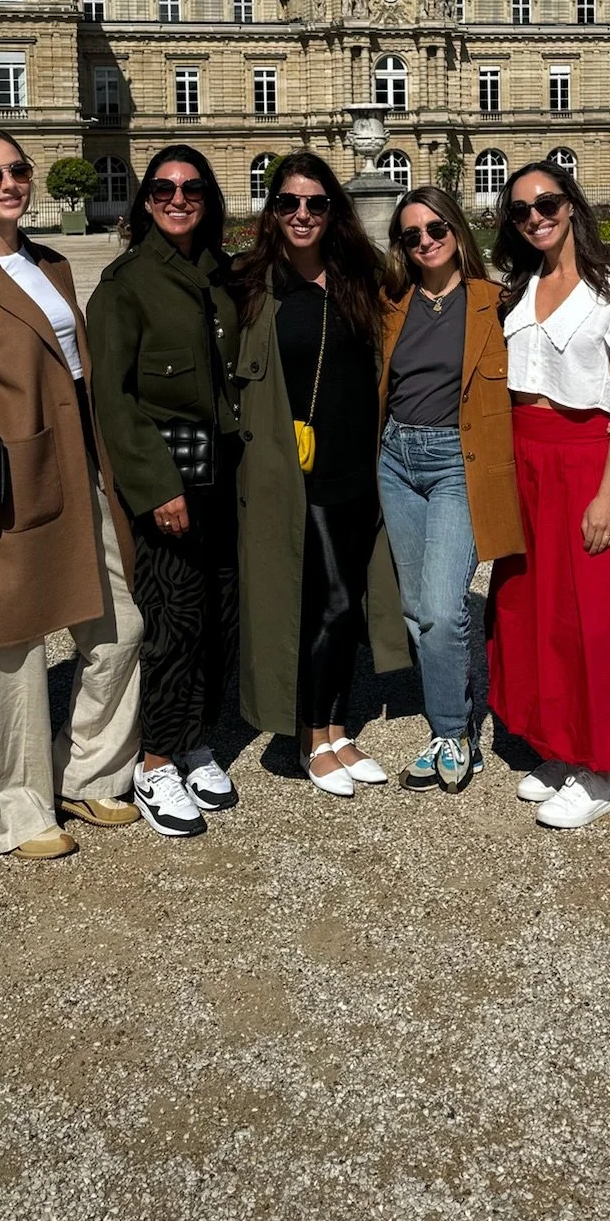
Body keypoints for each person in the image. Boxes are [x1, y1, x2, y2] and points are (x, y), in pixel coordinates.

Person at [0, 130, 143, 860]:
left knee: (121, 627)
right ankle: (15, 810)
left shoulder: (52, 262)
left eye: (16, 169)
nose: (8, 182)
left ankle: (88, 768)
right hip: (9, 484)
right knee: (5, 650)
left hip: (79, 468)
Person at [487, 161, 610, 831]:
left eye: (546, 202)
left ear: (571, 205)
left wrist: (607, 494)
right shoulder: (517, 290)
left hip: (582, 460)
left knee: (590, 617)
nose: (535, 216)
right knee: (533, 610)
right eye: (520, 210)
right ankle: (556, 746)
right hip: (525, 457)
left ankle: (599, 769)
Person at [233, 153, 406, 797]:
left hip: (360, 464)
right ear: (272, 212)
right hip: (296, 470)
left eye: (315, 203)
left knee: (349, 602)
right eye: (288, 203)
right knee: (323, 601)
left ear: (334, 211)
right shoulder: (252, 284)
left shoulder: (363, 276)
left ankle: (336, 726)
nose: (302, 214)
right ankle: (307, 735)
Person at [87, 146, 242, 840]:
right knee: (173, 621)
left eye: (191, 189)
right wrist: (155, 488)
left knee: (220, 613)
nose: (177, 199)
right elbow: (112, 402)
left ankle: (193, 738)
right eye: (162, 190)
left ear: (208, 198)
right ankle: (153, 761)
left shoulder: (223, 274)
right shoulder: (125, 284)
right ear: (144, 202)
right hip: (171, 481)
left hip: (225, 474)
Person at [377, 186, 524, 793]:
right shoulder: (391, 305)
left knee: (442, 607)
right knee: (416, 609)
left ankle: (452, 729)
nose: (426, 242)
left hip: (457, 463)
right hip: (394, 459)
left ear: (457, 230)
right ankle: (449, 723)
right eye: (411, 236)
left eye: (435, 228)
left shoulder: (499, 303)